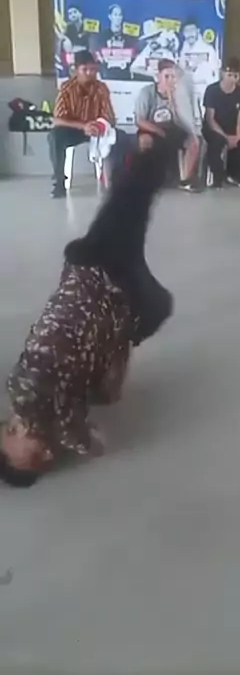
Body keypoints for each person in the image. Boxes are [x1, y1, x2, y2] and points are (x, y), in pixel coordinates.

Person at [0, 144, 173, 487]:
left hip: (94, 271)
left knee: (130, 203)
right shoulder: (49, 408)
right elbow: (82, 400)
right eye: (44, 462)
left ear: (9, 435)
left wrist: (76, 438)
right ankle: (149, 155)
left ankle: (158, 144)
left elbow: (86, 440)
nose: (46, 455)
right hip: (113, 293)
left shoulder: (26, 395)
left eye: (32, 457)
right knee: (157, 305)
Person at [48, 50, 129, 199]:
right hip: (74, 129)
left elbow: (109, 117)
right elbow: (57, 119)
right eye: (85, 69)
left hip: (97, 129)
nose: (89, 73)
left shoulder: (101, 88)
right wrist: (83, 126)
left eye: (92, 69)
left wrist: (99, 126)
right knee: (54, 136)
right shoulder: (66, 88)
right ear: (75, 70)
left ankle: (115, 180)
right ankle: (59, 181)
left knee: (122, 137)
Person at [134, 58, 200, 192]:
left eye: (173, 77)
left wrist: (173, 102)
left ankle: (185, 180)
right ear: (158, 76)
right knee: (145, 141)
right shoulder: (147, 92)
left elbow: (181, 121)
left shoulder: (178, 94)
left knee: (193, 142)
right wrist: (158, 131)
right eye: (166, 77)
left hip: (170, 128)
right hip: (151, 128)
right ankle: (145, 178)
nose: (170, 80)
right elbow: (140, 120)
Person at [202, 57, 240, 189]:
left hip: (233, 129)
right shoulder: (212, 90)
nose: (232, 79)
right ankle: (218, 176)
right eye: (229, 75)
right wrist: (225, 136)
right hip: (215, 129)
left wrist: (237, 136)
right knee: (216, 142)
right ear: (222, 73)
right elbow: (210, 118)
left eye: (235, 76)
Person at [179, 18, 219, 121]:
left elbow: (215, 72)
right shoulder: (183, 49)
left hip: (204, 89)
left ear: (198, 31)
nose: (190, 34)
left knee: (206, 118)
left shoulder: (208, 49)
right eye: (187, 31)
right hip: (189, 89)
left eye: (192, 30)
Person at [96, 4, 137, 81]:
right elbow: (98, 55)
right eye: (115, 15)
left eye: (120, 15)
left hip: (124, 75)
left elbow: (133, 55)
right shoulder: (102, 36)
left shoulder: (128, 36)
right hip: (107, 75)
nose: (118, 18)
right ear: (110, 17)